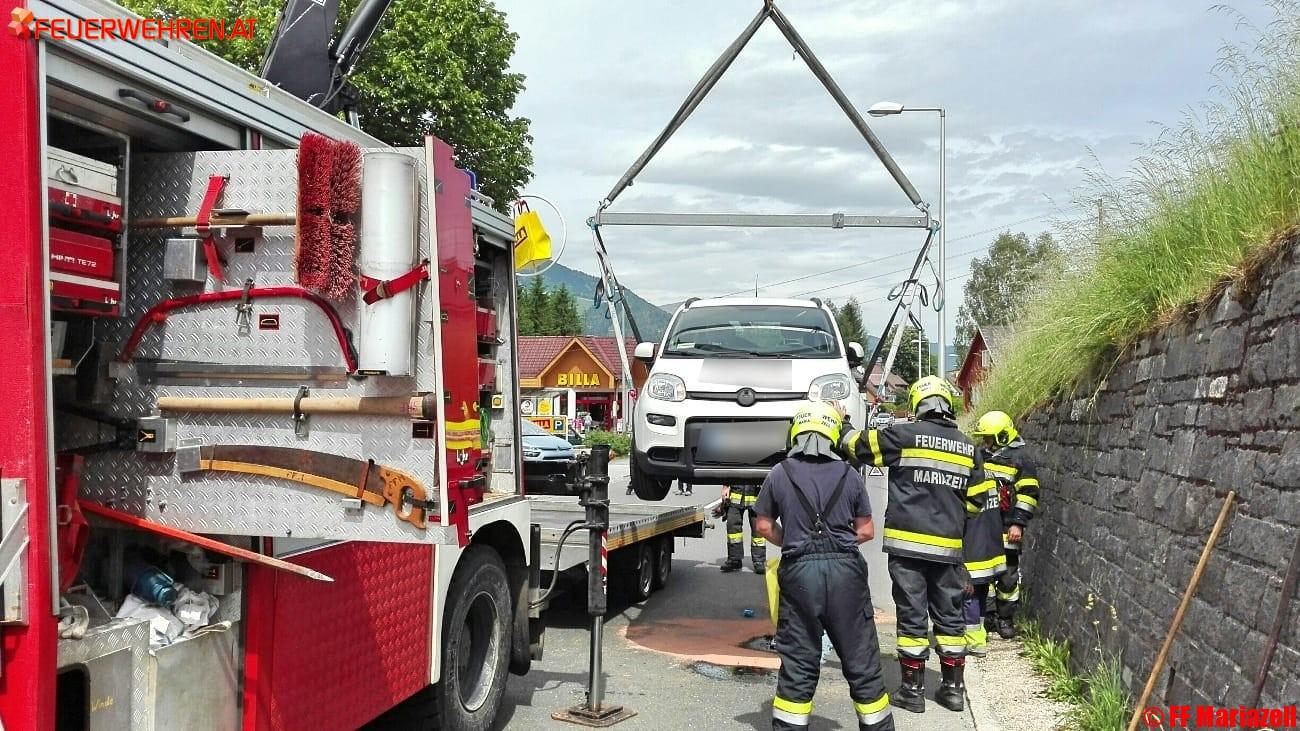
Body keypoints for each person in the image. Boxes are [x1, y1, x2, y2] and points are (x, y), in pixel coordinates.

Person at [839, 376, 990, 714]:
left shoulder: (903, 436)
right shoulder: (969, 448)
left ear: (918, 405)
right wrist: (950, 516)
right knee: (950, 619)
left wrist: (843, 421)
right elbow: (976, 503)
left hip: (907, 549)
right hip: (948, 550)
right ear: (946, 405)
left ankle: (912, 691)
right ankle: (953, 691)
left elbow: (859, 446)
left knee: (912, 617)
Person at [754, 401, 893, 731]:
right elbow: (866, 531)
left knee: (799, 662)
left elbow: (763, 526)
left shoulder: (780, 472)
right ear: (832, 434)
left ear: (796, 433)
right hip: (846, 573)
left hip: (800, 572)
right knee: (861, 660)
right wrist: (838, 543)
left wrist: (793, 540)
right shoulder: (849, 474)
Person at [971, 410, 1041, 640]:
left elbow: (1028, 494)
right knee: (985, 575)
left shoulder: (1020, 460)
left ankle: (1006, 617)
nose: (985, 442)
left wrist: (1018, 524)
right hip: (984, 528)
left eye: (989, 438)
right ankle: (989, 616)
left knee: (1008, 577)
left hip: (1007, 528)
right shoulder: (980, 456)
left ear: (1002, 436)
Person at [961, 459, 1008, 657]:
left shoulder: (967, 474)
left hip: (974, 544)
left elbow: (964, 511)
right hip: (991, 546)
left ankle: (974, 643)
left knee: (969, 594)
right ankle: (979, 637)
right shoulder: (988, 473)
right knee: (980, 593)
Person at [719, 482, 765, 573]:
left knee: (758, 530)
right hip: (736, 493)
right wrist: (725, 486)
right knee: (732, 527)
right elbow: (728, 472)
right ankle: (734, 560)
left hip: (756, 494)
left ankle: (759, 561)